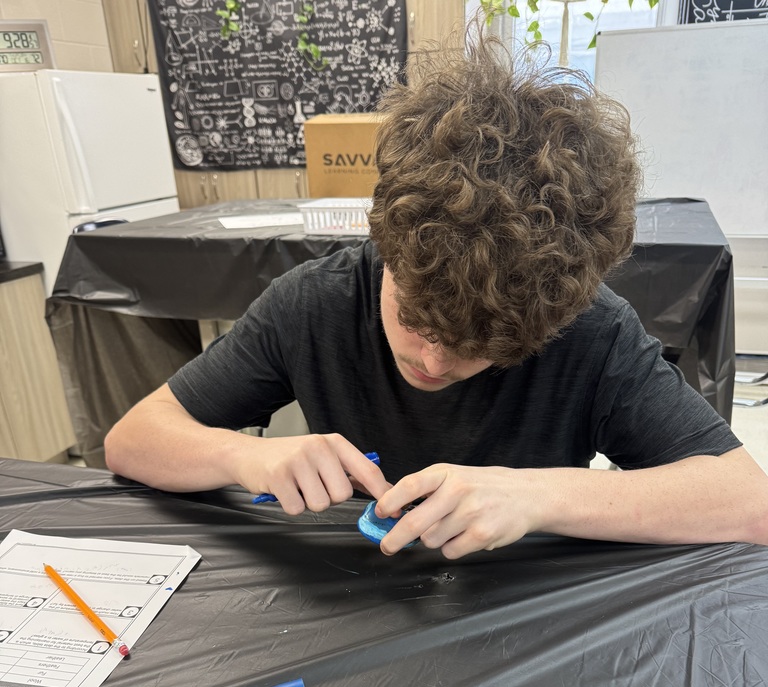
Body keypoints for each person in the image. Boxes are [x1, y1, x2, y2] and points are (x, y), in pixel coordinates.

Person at [104, 31, 768, 559]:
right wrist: (246, 455)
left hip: (524, 632)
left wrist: (537, 497)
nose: (433, 361)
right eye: (415, 319)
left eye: (479, 350)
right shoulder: (316, 305)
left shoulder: (592, 332)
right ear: (386, 248)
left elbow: (748, 503)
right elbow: (132, 441)